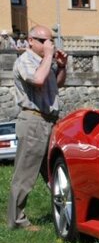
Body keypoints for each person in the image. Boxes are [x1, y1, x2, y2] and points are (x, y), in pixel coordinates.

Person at [7, 25, 67, 231]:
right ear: (30, 41)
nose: (48, 44)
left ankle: (64, 210)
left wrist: (62, 67)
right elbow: (39, 81)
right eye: (43, 41)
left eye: (50, 40)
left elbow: (56, 85)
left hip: (49, 120)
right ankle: (16, 220)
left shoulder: (45, 62)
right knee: (25, 173)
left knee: (54, 172)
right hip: (33, 120)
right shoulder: (24, 61)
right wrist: (49, 56)